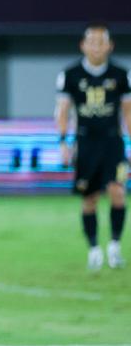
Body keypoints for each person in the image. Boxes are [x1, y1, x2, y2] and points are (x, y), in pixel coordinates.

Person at [56, 23, 130, 271]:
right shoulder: (70, 75)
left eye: (101, 42)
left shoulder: (121, 75)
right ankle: (94, 249)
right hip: (86, 142)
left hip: (113, 142)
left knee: (118, 192)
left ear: (110, 46)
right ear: (83, 45)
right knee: (90, 198)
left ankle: (115, 246)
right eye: (92, 42)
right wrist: (63, 142)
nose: (97, 47)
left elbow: (128, 112)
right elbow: (63, 111)